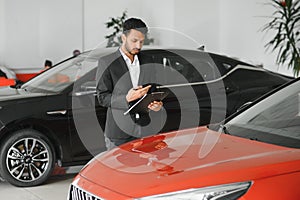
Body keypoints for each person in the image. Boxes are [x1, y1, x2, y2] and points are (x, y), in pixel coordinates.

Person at [96, 18, 163, 150]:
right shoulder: (106, 62)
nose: (138, 45)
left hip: (145, 130)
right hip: (118, 134)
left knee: (144, 170)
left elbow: (153, 90)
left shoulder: (148, 61)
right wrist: (126, 99)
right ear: (123, 38)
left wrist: (156, 105)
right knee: (118, 170)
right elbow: (102, 97)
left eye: (142, 42)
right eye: (134, 41)